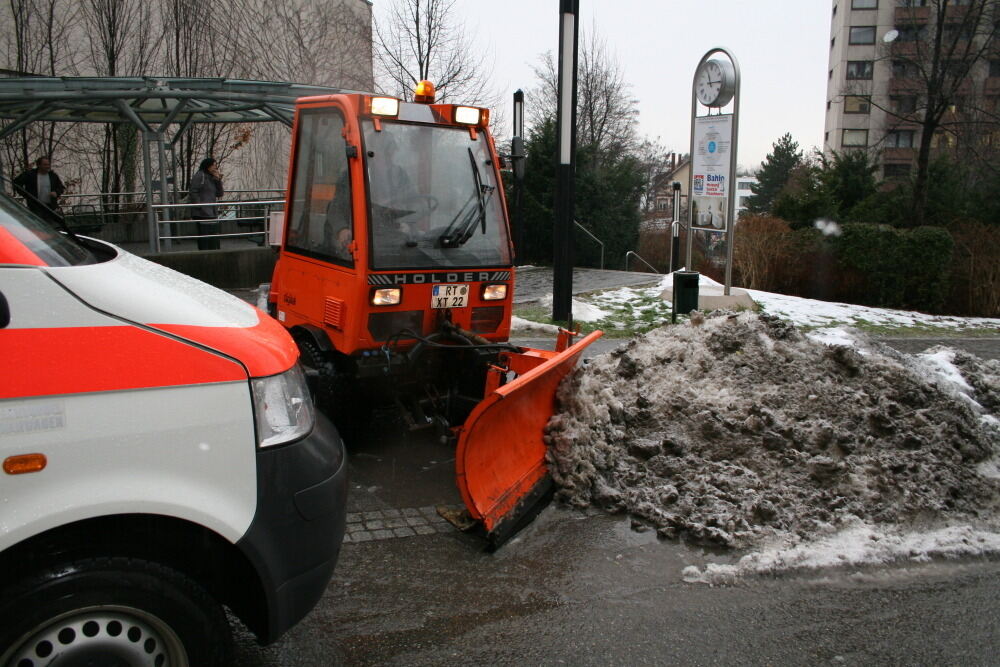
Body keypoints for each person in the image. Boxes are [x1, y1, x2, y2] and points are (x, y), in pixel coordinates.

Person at [188, 157, 224, 250]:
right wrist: (199, 206)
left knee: (213, 235)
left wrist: (218, 180)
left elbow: (220, 193)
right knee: (204, 235)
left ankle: (213, 252)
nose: (215, 168)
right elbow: (193, 191)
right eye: (213, 165)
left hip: (212, 211)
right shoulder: (200, 176)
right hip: (202, 212)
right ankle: (204, 252)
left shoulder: (212, 178)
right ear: (207, 166)